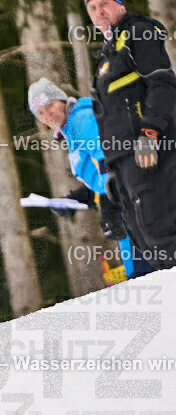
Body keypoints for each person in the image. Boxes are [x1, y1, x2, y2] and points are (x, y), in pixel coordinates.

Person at [27, 77, 152, 279]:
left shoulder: (80, 119)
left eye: (50, 105)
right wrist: (76, 199)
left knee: (144, 273)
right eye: (41, 112)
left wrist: (109, 205)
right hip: (124, 199)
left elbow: (108, 158)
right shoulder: (71, 128)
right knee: (142, 272)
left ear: (61, 100)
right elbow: (97, 174)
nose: (47, 114)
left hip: (131, 201)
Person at [87, 0, 176, 269]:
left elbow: (162, 84)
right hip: (124, 160)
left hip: (152, 149)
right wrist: (112, 170)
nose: (98, 12)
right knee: (146, 239)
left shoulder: (138, 32)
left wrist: (150, 132)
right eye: (92, 8)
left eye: (104, 4)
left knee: (163, 232)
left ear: (120, 5)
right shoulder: (107, 56)